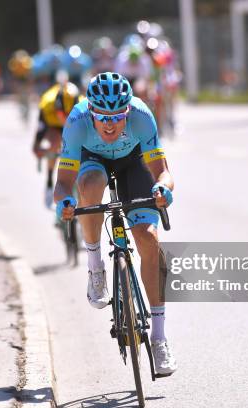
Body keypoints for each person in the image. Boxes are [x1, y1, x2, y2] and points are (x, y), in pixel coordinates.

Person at [53, 72, 177, 375]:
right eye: (102, 117)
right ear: (91, 112)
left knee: (148, 239)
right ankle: (95, 267)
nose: (110, 124)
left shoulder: (142, 116)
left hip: (133, 162)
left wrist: (163, 190)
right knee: (91, 184)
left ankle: (159, 339)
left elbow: (163, 172)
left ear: (127, 112)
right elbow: (63, 182)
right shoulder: (77, 122)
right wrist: (64, 203)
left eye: (118, 117)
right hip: (91, 160)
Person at [33, 78, 82, 208]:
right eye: (62, 113)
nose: (65, 117)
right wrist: (37, 146)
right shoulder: (47, 104)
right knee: (54, 144)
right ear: (56, 108)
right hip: (53, 126)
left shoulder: (84, 106)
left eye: (69, 113)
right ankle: (49, 181)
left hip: (75, 125)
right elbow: (41, 129)